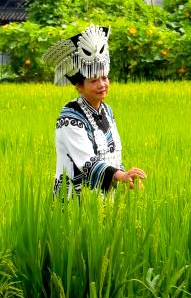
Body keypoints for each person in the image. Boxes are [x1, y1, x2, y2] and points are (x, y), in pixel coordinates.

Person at [44, 24, 147, 199]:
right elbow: (86, 163)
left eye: (105, 77)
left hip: (104, 201)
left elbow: (112, 155)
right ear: (79, 86)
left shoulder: (107, 111)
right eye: (93, 80)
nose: (102, 84)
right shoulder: (70, 117)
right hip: (75, 202)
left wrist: (127, 178)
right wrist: (120, 176)